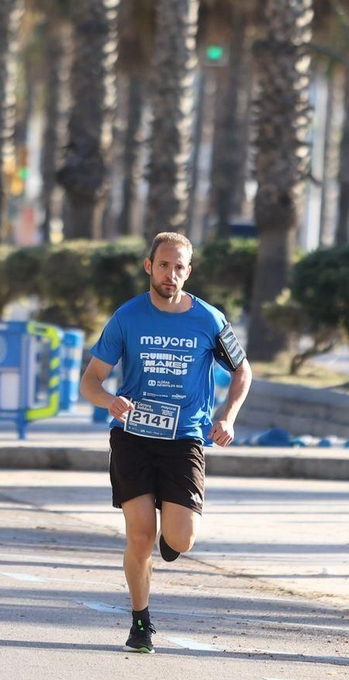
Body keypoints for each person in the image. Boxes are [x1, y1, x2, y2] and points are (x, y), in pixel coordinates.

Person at [77, 232, 253, 654]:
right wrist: (109, 401)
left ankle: (170, 539)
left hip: (184, 439)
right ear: (148, 266)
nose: (170, 274)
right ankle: (141, 622)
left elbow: (243, 373)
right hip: (133, 438)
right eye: (163, 265)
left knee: (182, 539)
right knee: (139, 536)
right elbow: (90, 381)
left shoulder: (209, 319)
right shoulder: (127, 317)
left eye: (179, 267)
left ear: (188, 272)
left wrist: (227, 416)